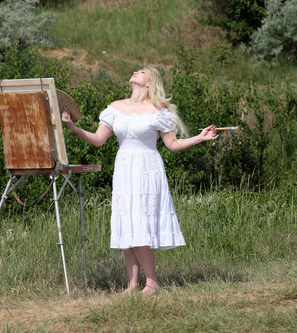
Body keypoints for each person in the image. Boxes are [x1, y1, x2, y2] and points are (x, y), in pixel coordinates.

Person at [61, 67, 219, 295]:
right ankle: (132, 284)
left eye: (142, 71)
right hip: (124, 169)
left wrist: (200, 137)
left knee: (141, 225)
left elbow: (172, 145)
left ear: (149, 83)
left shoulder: (159, 110)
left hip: (147, 170)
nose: (135, 71)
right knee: (126, 224)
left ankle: (151, 283)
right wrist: (72, 127)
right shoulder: (115, 107)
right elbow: (97, 140)